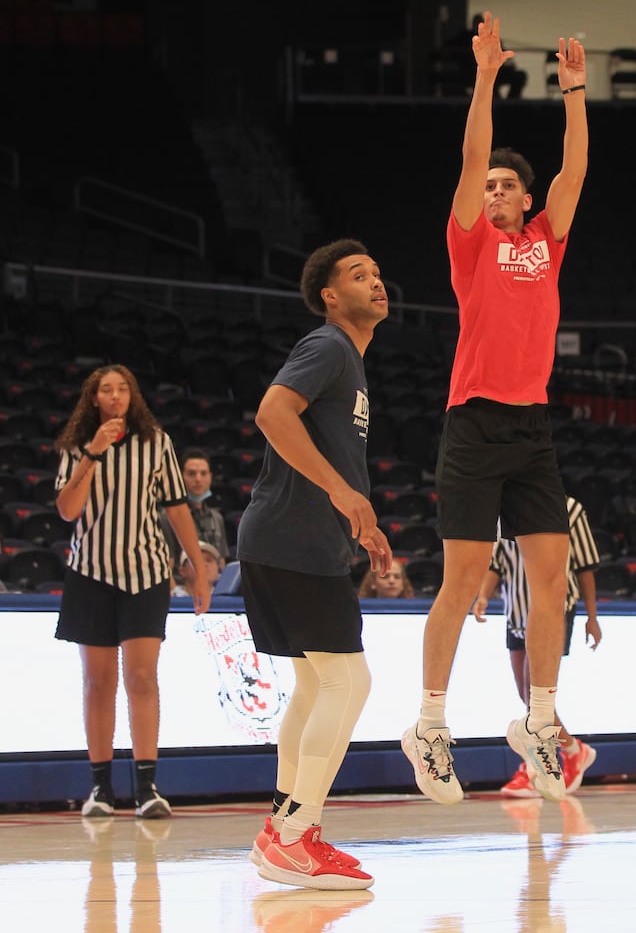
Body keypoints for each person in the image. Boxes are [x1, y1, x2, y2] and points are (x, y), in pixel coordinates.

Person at [401, 12, 588, 806]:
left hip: (531, 426)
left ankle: (539, 721)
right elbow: (474, 152)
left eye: (508, 185)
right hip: (473, 421)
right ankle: (430, 723)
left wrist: (573, 94)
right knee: (463, 578)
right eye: (489, 188)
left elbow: (575, 173)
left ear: (525, 196)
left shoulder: (546, 238)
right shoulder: (470, 242)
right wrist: (484, 77)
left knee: (550, 582)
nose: (497, 191)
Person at [237, 238, 393, 891]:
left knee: (314, 684)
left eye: (379, 272)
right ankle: (297, 835)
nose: (377, 282)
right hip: (292, 540)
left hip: (288, 542)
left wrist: (360, 519)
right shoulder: (328, 345)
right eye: (360, 275)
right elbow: (272, 412)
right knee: (348, 684)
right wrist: (340, 493)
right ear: (332, 296)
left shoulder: (348, 362)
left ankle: (281, 828)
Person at [53, 364, 213, 820]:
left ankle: (147, 788)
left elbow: (178, 509)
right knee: (97, 682)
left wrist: (197, 570)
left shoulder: (157, 443)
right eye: (107, 389)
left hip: (145, 573)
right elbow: (67, 510)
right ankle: (100, 788)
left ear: (132, 397)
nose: (116, 396)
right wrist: (93, 454)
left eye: (123, 388)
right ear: (95, 399)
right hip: (89, 572)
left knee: (142, 679)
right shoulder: (75, 447)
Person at [472, 495, 602, 798]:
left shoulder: (570, 508)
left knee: (535, 696)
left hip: (553, 612)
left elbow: (586, 567)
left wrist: (592, 617)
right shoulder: (501, 510)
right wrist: (482, 596)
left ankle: (548, 760)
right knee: (525, 695)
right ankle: (569, 751)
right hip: (515, 611)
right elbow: (496, 563)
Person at [159, 448, 230, 561]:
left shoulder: (217, 518)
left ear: (210, 477)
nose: (198, 479)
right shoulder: (167, 517)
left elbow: (221, 561)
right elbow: (168, 563)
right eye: (192, 473)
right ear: (180, 476)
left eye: (203, 473)